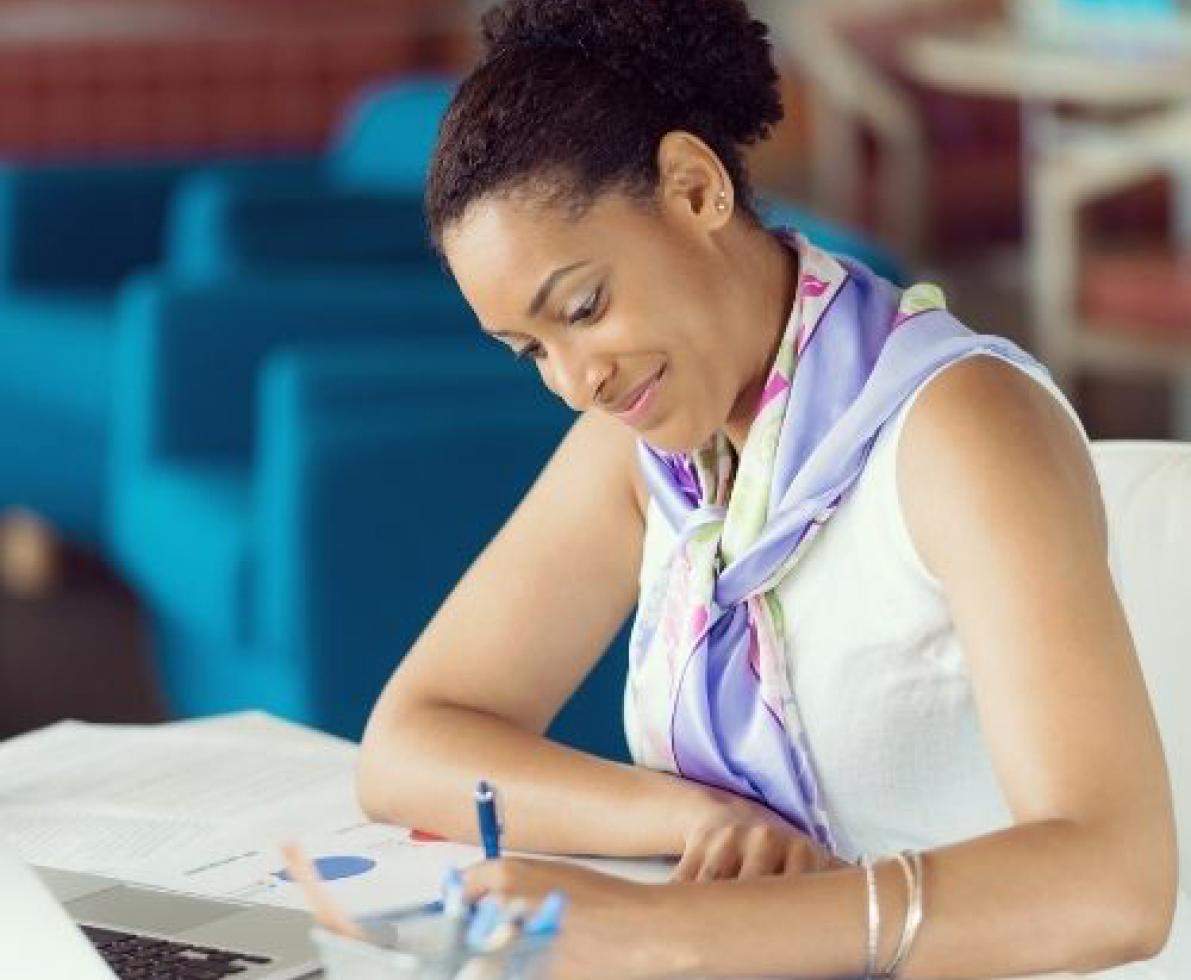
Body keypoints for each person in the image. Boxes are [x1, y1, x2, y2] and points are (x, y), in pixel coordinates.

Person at [356, 1, 1188, 976]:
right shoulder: (648, 453)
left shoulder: (959, 426)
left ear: (695, 188)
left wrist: (662, 931)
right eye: (530, 348)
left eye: (583, 307)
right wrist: (696, 813)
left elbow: (1117, 882)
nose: (574, 379)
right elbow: (411, 741)